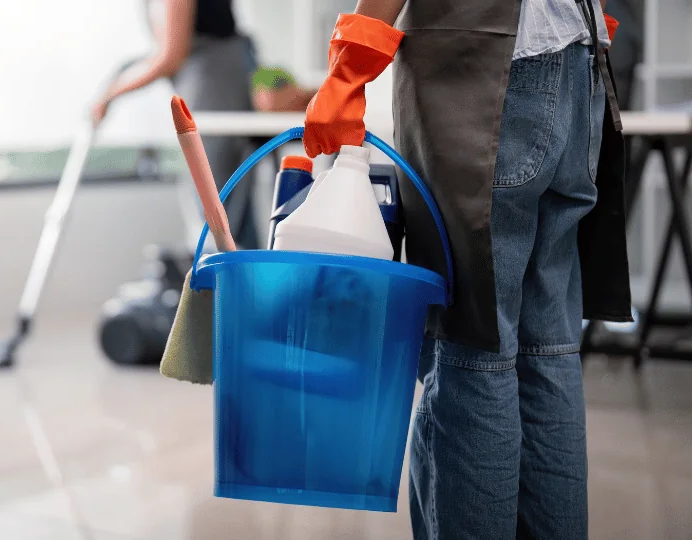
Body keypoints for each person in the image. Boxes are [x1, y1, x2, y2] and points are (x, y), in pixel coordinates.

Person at [303, 0, 631, 538]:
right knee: (548, 349)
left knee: (475, 346)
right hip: (580, 66)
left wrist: (349, 69)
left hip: (484, 74)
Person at [92, 0, 261, 249]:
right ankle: (230, 267)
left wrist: (110, 95)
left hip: (215, 88)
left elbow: (171, 56)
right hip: (214, 83)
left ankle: (229, 269)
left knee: (217, 201)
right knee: (220, 199)